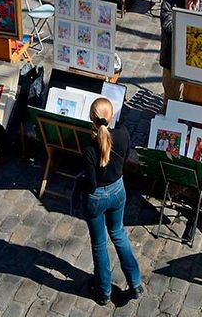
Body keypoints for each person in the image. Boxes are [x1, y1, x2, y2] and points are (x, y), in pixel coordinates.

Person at [81, 97, 143, 304]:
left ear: (92, 119)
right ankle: (135, 282)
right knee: (118, 234)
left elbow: (90, 184)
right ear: (111, 116)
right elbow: (124, 158)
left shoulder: (90, 147)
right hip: (118, 190)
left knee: (99, 243)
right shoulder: (123, 133)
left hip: (96, 197)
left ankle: (104, 291)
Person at [159, 0, 202, 101]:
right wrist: (186, 15)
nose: (196, 3)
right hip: (173, 58)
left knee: (193, 96)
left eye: (198, 0)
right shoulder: (169, 4)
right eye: (193, 0)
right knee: (171, 96)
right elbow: (169, 28)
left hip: (194, 57)